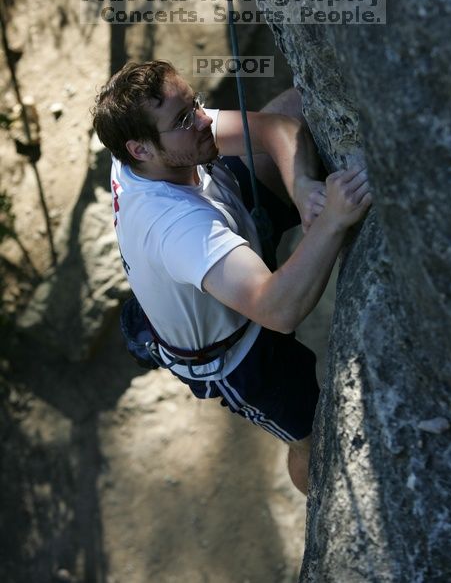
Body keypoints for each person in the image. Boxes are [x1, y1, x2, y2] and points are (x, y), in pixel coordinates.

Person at [92, 60, 372, 495]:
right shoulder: (176, 228)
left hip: (224, 214)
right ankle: (321, 502)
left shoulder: (153, 148)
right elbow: (278, 309)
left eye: (195, 102)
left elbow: (278, 126)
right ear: (139, 149)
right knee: (319, 445)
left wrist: (299, 185)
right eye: (185, 119)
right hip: (238, 353)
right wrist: (332, 220)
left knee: (298, 105)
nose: (203, 119)